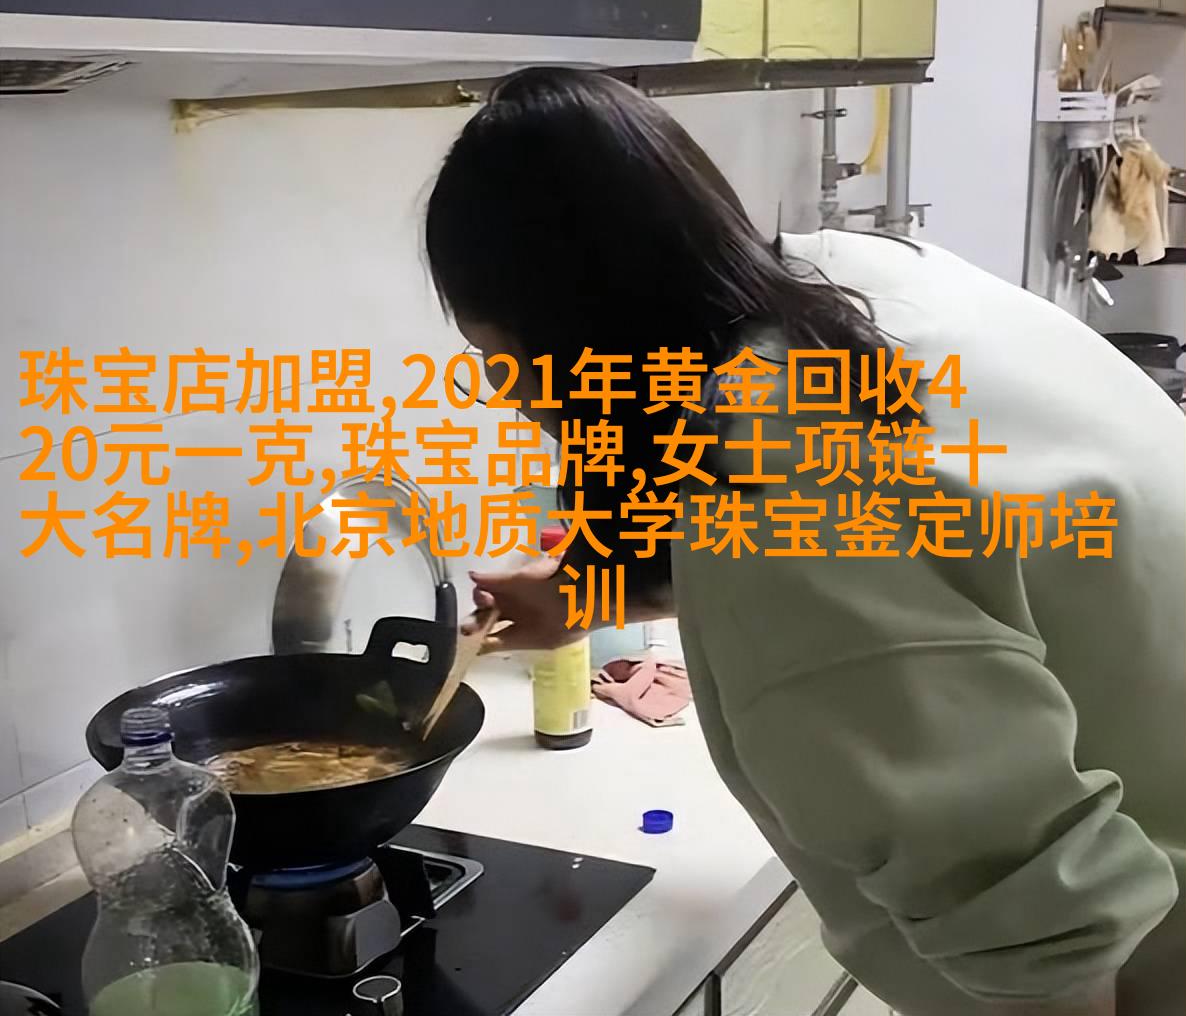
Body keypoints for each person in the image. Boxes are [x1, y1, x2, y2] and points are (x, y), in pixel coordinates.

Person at [424, 68, 1185, 1016]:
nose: (510, 398)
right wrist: (603, 590)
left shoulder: (776, 470)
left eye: (500, 360)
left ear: (579, 339)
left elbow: (1033, 928)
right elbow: (927, 564)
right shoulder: (854, 284)